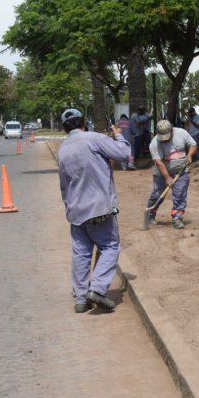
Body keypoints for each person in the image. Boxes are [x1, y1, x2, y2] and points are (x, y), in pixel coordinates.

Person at [56, 108, 132, 313]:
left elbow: (64, 185)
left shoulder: (63, 150)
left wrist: (69, 207)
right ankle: (97, 289)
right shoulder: (94, 138)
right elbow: (124, 154)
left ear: (64, 129)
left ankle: (81, 300)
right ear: (83, 122)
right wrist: (118, 136)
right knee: (110, 247)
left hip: (76, 211)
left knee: (81, 254)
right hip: (100, 208)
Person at [147, 119, 198, 229]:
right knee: (157, 194)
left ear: (171, 130)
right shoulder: (154, 143)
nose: (165, 140)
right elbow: (159, 162)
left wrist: (189, 155)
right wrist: (167, 177)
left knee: (180, 193)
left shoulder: (182, 133)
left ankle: (177, 218)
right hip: (161, 172)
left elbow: (193, 145)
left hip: (181, 170)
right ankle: (150, 214)